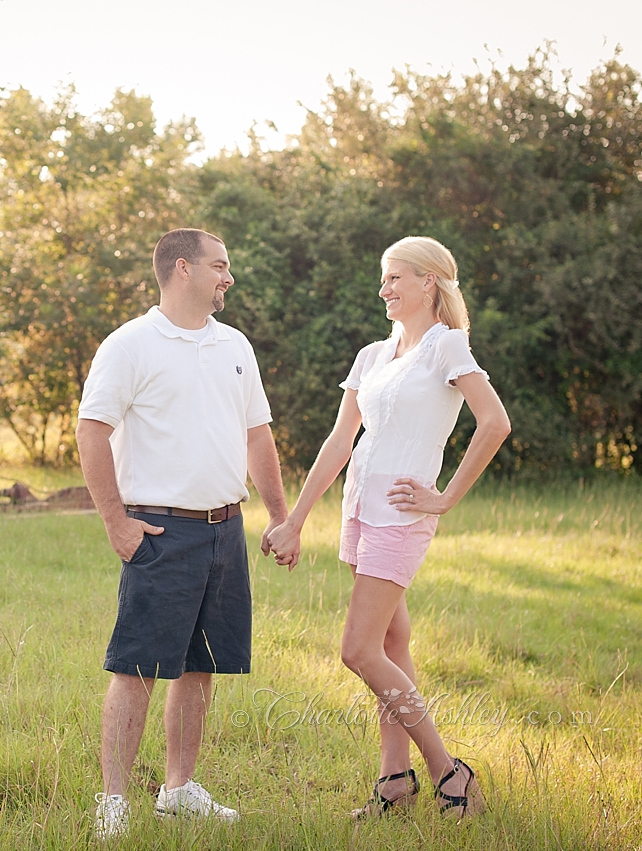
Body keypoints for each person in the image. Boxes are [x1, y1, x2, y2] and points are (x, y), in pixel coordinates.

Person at [265, 236, 511, 820]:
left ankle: (449, 771)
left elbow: (495, 422)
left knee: (357, 650)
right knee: (391, 646)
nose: (384, 289)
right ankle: (393, 781)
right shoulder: (373, 355)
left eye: (395, 278)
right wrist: (295, 519)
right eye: (384, 278)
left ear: (429, 282)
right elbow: (339, 441)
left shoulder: (447, 348)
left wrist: (445, 498)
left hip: (402, 516)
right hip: (359, 511)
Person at [77, 228, 289, 840]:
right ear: (182, 268)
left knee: (203, 666)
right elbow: (92, 432)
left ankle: (178, 789)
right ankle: (114, 799)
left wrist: (278, 516)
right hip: (159, 531)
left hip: (226, 529)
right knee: (138, 668)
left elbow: (258, 435)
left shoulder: (235, 346)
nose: (229, 277)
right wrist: (116, 522)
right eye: (220, 266)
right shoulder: (130, 345)